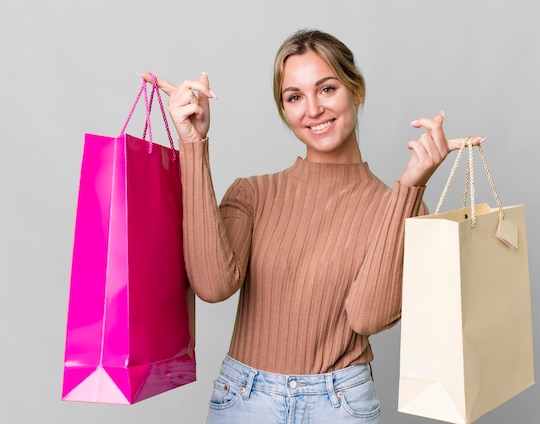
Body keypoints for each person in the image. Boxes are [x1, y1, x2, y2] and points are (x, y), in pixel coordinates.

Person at [140, 29, 483, 424]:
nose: (313, 109)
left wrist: (410, 187)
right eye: (295, 97)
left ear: (356, 90)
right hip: (246, 399)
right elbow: (212, 286)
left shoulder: (400, 208)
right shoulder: (253, 193)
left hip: (341, 405)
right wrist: (193, 145)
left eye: (327, 88)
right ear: (284, 110)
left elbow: (367, 317)